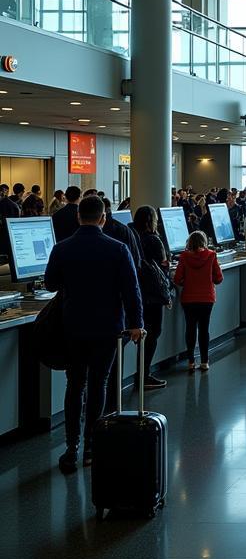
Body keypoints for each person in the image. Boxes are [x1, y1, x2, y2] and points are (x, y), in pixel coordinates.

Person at [45, 195, 144, 473]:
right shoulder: (118, 248)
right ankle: (91, 445)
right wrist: (136, 323)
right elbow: (131, 289)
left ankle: (71, 446)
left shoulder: (62, 248)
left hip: (73, 325)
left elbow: (51, 282)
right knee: (99, 383)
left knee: (75, 383)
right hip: (108, 328)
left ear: (78, 217)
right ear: (103, 218)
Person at [129, 206, 172, 390]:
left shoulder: (132, 236)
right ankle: (144, 375)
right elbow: (163, 265)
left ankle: (140, 374)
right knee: (153, 334)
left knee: (142, 333)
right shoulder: (154, 240)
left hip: (138, 293)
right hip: (153, 295)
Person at [173, 230, 223, 371]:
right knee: (203, 329)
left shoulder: (183, 257)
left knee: (190, 329)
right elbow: (219, 278)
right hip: (207, 298)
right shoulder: (212, 256)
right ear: (204, 242)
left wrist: (187, 283)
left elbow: (177, 279)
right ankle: (204, 362)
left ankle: (190, 362)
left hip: (188, 298)